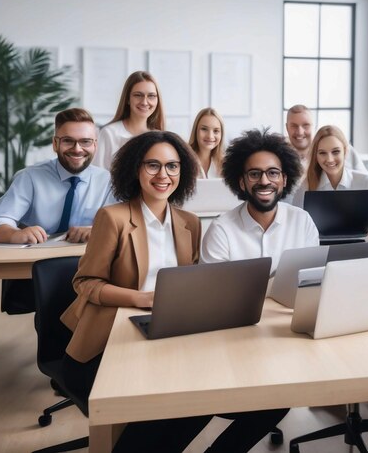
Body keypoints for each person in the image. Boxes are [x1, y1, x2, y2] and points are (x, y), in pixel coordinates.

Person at [61, 130, 286, 453]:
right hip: (106, 346)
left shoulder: (189, 223)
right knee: (179, 404)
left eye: (172, 166)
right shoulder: (113, 218)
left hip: (164, 335)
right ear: (135, 170)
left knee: (237, 396)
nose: (163, 175)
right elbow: (85, 283)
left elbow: (192, 283)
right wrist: (140, 298)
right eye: (152, 165)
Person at [0, 107, 113, 244]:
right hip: (34, 259)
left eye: (85, 141)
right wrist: (16, 235)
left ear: (95, 145)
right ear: (55, 144)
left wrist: (95, 230)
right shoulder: (29, 177)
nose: (77, 149)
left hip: (87, 259)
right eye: (68, 141)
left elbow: (121, 225)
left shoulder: (108, 182)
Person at [201, 128, 319, 273]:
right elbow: (214, 289)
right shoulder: (221, 230)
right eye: (254, 174)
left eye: (273, 173)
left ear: (284, 180)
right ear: (242, 182)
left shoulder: (302, 222)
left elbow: (310, 281)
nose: (264, 181)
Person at [292, 125, 368, 233]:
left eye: (335, 152)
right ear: (316, 156)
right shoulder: (305, 186)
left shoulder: (367, 181)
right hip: (320, 247)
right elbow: (294, 225)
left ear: (345, 151)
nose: (329, 159)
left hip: (361, 247)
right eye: (322, 153)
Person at [92, 70, 165, 170]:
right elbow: (98, 176)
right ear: (127, 99)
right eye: (138, 95)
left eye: (151, 96)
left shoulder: (160, 136)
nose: (144, 102)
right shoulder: (109, 133)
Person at [285, 104, 368, 173]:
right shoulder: (279, 155)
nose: (300, 132)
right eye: (294, 126)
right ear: (287, 127)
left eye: (306, 125)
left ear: (315, 127)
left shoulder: (344, 150)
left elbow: (365, 182)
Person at [188, 107, 225, 178]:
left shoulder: (225, 164)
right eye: (204, 129)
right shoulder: (183, 161)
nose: (210, 136)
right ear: (195, 131)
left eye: (216, 131)